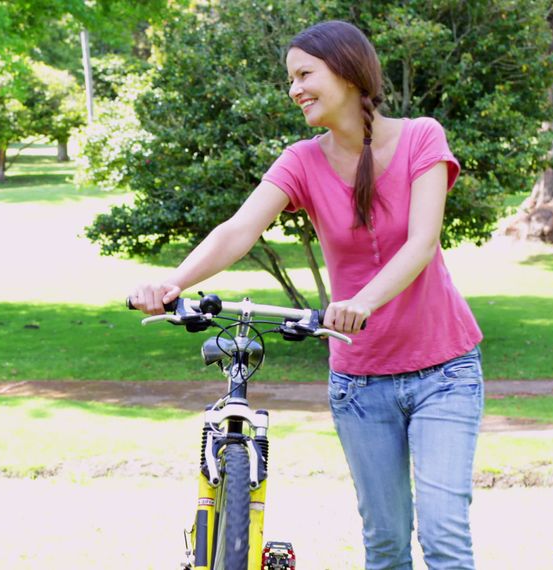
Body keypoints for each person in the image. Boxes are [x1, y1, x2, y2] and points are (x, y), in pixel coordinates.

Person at [130, 20, 483, 570]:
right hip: (360, 383)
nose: (294, 89)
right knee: (386, 545)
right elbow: (238, 230)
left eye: (304, 74)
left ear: (347, 71)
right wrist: (176, 282)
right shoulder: (302, 160)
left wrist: (363, 301)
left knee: (444, 537)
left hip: (445, 372)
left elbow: (421, 243)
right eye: (290, 78)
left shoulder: (421, 137)